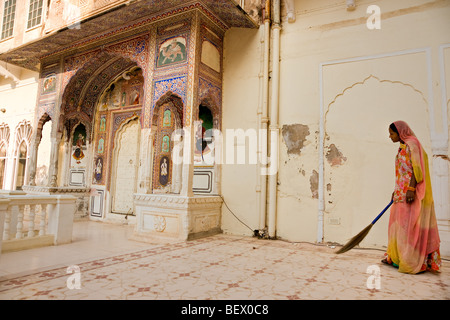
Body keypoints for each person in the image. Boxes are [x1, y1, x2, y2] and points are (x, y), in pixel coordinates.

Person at [382, 121, 441, 274]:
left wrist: (411, 188)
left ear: (400, 132)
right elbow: (402, 172)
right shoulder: (402, 146)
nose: (390, 136)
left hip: (410, 193)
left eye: (392, 133)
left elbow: (417, 168)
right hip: (400, 193)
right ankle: (395, 258)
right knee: (398, 226)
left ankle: (413, 260)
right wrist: (396, 190)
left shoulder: (412, 145)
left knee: (410, 227)